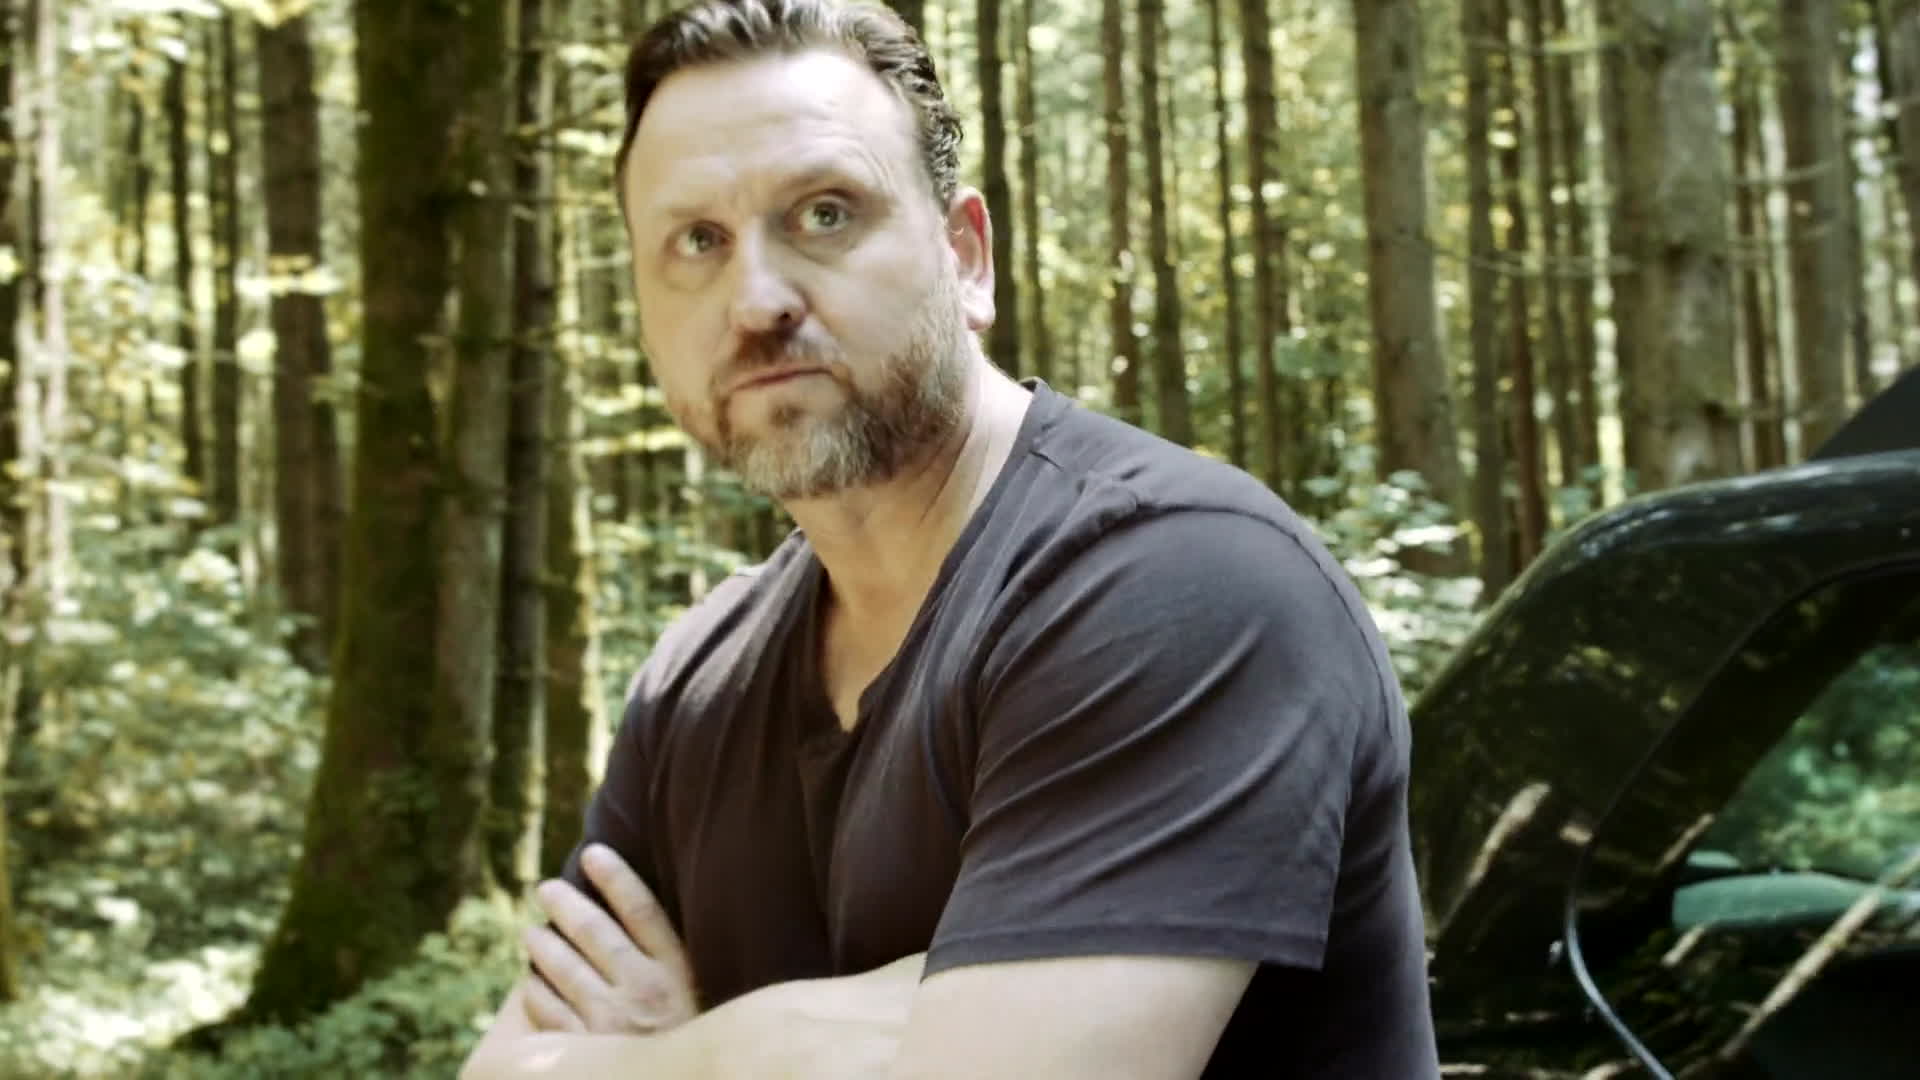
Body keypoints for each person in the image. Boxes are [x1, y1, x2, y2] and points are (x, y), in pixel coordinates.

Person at [462, 0, 1441, 1075]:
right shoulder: (697, 684)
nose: (756, 301)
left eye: (825, 213)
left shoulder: (1182, 586)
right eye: (697, 242)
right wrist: (768, 1048)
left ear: (967, 256)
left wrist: (667, 1056)